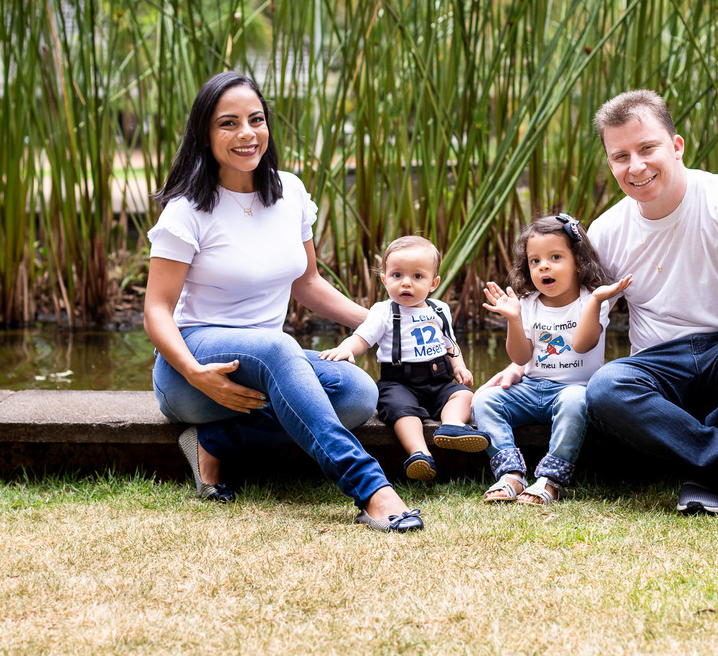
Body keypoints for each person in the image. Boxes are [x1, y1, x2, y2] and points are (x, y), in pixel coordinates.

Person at [486, 90, 718, 518]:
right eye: (620, 156)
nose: (636, 167)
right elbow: (569, 314)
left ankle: (708, 476)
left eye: (647, 148)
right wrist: (523, 363)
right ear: (610, 164)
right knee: (606, 387)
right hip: (662, 372)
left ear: (676, 146)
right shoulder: (605, 234)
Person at [143, 71, 423, 532]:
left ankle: (214, 441)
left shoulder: (288, 192)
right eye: (228, 123)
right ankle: (372, 487)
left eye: (256, 119)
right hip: (192, 368)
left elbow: (307, 282)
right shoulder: (186, 210)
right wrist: (194, 372)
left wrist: (385, 321)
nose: (247, 134)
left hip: (268, 363)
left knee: (357, 393)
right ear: (204, 133)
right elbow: (156, 310)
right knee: (278, 346)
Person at [473, 214, 632, 505]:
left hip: (574, 392)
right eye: (535, 261)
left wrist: (597, 301)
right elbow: (520, 356)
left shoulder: (592, 300)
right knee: (484, 400)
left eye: (555, 257)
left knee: (575, 400)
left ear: (578, 263)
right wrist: (513, 319)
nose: (543, 266)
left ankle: (551, 479)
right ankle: (511, 474)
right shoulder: (528, 304)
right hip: (533, 388)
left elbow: (583, 345)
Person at [319, 236, 489, 481]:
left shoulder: (440, 309)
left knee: (463, 395)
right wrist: (346, 349)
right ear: (384, 279)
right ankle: (419, 453)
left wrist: (459, 366)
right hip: (400, 383)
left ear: (434, 282)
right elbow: (362, 337)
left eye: (417, 277)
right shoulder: (384, 311)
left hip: (439, 380)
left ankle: (451, 426)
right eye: (397, 275)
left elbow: (450, 343)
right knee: (401, 410)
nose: (406, 283)